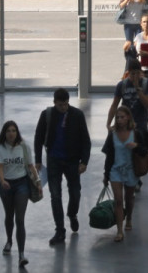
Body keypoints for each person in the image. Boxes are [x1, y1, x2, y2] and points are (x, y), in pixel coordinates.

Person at [34, 88, 91, 245]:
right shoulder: (47, 115)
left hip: (72, 161)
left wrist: (84, 161)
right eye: (60, 105)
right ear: (54, 103)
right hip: (54, 160)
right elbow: (38, 137)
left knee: (75, 193)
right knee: (55, 195)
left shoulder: (77, 115)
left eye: (66, 104)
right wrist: (38, 159)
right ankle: (60, 230)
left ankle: (72, 214)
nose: (64, 107)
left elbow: (86, 140)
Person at [102, 106, 148, 242]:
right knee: (118, 200)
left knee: (129, 198)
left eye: (122, 117)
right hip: (115, 170)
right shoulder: (112, 135)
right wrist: (106, 175)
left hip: (131, 170)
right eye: (117, 117)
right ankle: (119, 230)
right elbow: (109, 156)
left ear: (128, 117)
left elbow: (145, 152)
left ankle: (129, 218)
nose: (119, 120)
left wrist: (136, 146)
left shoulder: (136, 134)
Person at [0, 121, 38, 268]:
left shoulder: (24, 147)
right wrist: (2, 180)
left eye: (13, 130)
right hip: (6, 185)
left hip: (22, 185)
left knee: (20, 219)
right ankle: (9, 240)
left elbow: (31, 166)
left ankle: (21, 255)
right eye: (8, 131)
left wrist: (38, 182)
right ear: (4, 133)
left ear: (17, 132)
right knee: (9, 215)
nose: (11, 133)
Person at [106, 59, 148, 134]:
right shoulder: (122, 85)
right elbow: (114, 105)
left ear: (141, 72)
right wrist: (108, 123)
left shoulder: (147, 84)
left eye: (138, 73)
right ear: (128, 73)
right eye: (133, 74)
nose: (135, 76)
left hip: (141, 123)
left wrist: (137, 88)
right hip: (125, 123)